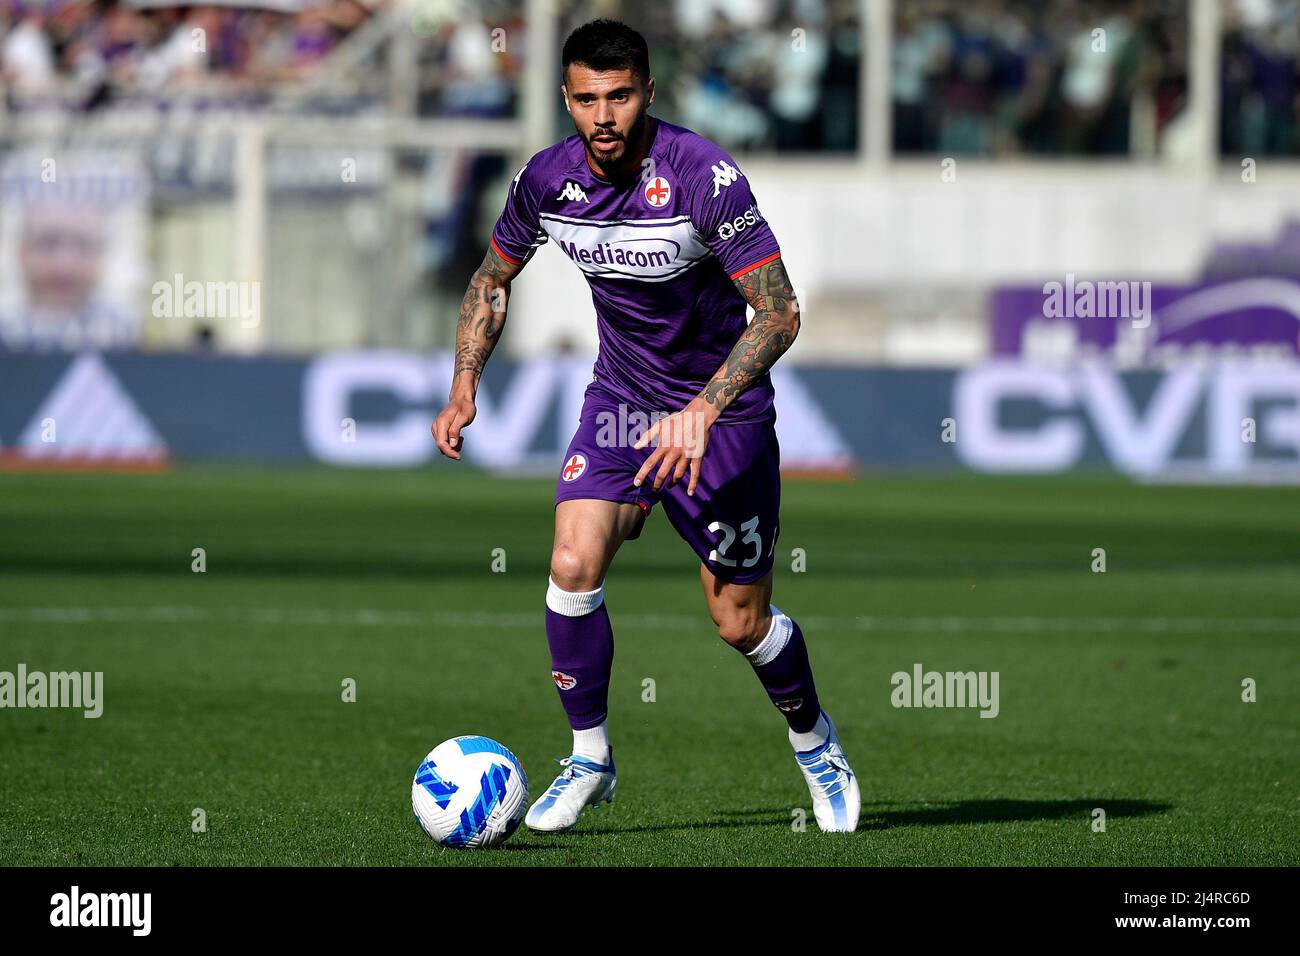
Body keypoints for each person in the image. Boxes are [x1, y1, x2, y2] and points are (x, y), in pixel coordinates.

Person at [431, 18, 859, 834]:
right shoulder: (545, 182)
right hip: (622, 405)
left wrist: (703, 410)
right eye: (587, 98)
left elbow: (779, 313)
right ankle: (589, 754)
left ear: (648, 93)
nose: (603, 116)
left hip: (721, 418)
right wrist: (463, 382)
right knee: (571, 560)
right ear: (566, 98)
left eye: (620, 96)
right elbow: (493, 275)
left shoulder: (704, 176)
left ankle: (814, 742)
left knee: (739, 621)